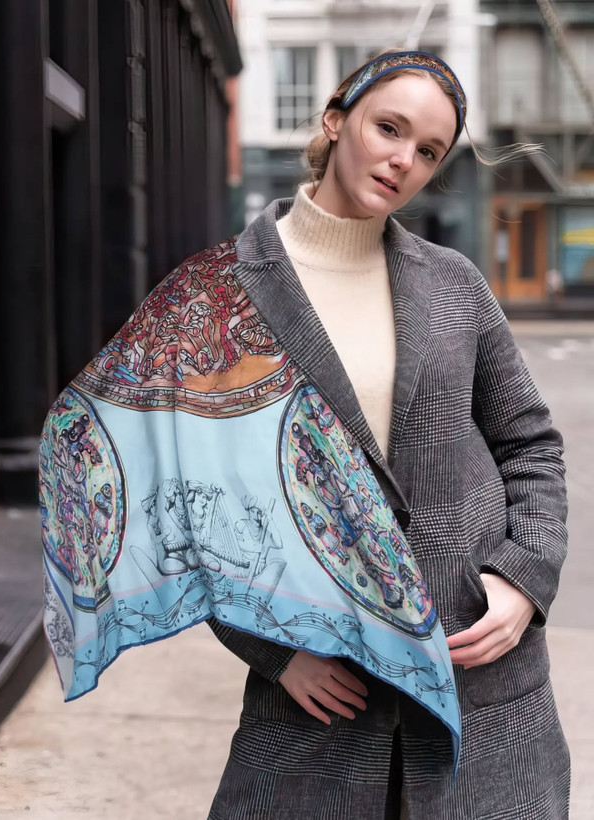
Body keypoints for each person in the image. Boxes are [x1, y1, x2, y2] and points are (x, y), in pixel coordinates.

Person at [39, 51, 569, 819]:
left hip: (481, 672)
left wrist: (523, 579)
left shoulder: (455, 283)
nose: (404, 160)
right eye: (389, 129)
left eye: (429, 150)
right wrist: (274, 650)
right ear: (335, 120)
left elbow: (530, 445)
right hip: (323, 690)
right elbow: (184, 501)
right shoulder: (220, 293)